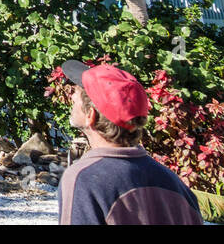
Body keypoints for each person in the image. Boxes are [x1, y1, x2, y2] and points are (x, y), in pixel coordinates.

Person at [57, 59, 201, 225]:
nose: (72, 94)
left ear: (91, 115)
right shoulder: (174, 184)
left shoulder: (83, 179)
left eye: (79, 93)